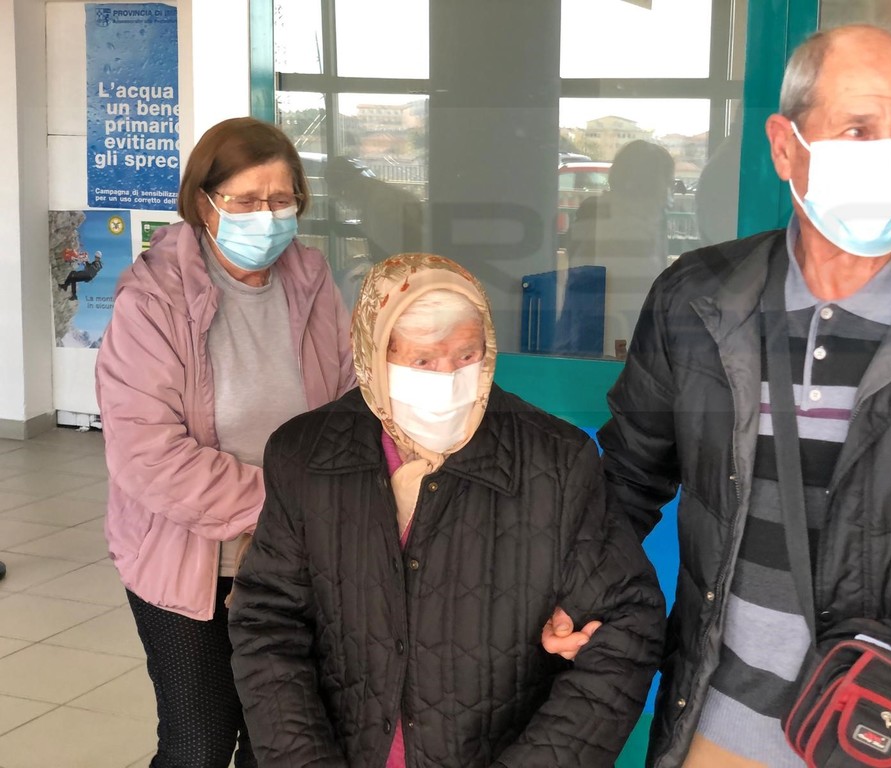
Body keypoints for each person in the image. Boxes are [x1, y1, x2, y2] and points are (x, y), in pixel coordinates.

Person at [546, 24, 891, 767]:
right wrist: (575, 592)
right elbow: (627, 480)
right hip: (716, 731)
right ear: (784, 146)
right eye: (858, 129)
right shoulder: (698, 300)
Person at [228, 252, 665, 767]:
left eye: (466, 355)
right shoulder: (306, 455)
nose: (450, 379)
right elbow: (269, 623)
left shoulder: (556, 461)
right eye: (422, 361)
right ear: (373, 355)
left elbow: (626, 626)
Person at [96, 116, 356, 768]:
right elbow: (147, 455)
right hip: (189, 561)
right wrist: (286, 506)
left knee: (279, 742)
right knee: (201, 744)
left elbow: (351, 403)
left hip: (296, 559)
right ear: (204, 202)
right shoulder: (152, 299)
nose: (265, 216)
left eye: (280, 199)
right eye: (244, 201)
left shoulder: (312, 282)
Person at [561, 139, 675, 358]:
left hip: (601, 337)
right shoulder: (606, 217)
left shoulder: (652, 220)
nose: (670, 190)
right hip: (609, 341)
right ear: (650, 182)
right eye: (668, 181)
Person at [325, 156, 424, 263]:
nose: (343, 200)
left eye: (341, 193)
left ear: (348, 185)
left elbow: (388, 251)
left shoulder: (380, 204)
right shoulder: (373, 196)